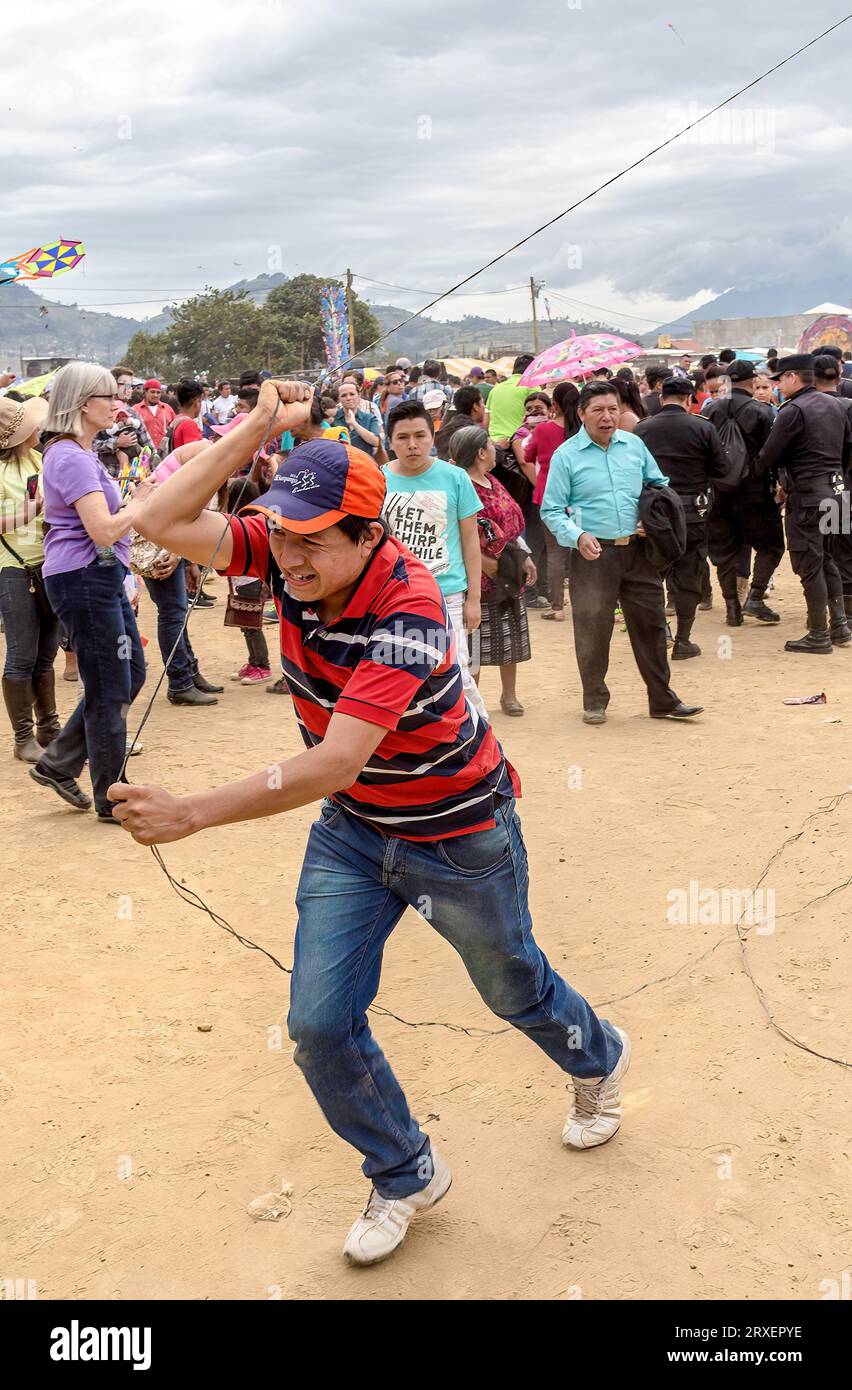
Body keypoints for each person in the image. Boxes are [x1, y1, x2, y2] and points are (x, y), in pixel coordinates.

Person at [115, 383, 632, 1267]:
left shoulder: (410, 609)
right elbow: (160, 518)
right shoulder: (286, 555)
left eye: (313, 537)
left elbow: (332, 761)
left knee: (513, 987)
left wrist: (192, 811)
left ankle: (598, 1059)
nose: (288, 553)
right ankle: (403, 1169)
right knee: (319, 1024)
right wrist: (257, 427)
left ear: (370, 534)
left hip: (458, 831)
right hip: (355, 835)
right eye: (280, 532)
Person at [28, 362, 151, 820]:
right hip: (84, 576)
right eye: (109, 395)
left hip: (93, 576)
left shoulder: (75, 453)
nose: (118, 403)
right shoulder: (71, 456)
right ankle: (109, 795)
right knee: (110, 685)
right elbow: (102, 530)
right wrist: (139, 504)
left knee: (127, 676)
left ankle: (60, 762)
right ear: (84, 403)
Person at [541, 381, 703, 724]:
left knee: (652, 625)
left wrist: (652, 518)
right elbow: (551, 510)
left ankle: (663, 700)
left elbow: (659, 485)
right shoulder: (566, 456)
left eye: (613, 409)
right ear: (582, 413)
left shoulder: (634, 445)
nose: (607, 417)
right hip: (593, 555)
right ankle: (595, 700)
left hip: (639, 553)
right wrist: (578, 535)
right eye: (598, 410)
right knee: (592, 628)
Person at [381, 400, 485, 718]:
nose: (412, 445)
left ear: (432, 435)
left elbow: (470, 540)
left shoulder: (455, 478)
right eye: (402, 437)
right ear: (390, 440)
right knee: (404, 676)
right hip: (395, 596)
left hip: (448, 596)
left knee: (458, 672)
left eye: (420, 435)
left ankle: (482, 734)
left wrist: (474, 599)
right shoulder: (377, 480)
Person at [753, 353, 852, 652]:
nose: (778, 385)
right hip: (835, 493)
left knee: (809, 564)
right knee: (828, 559)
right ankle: (839, 627)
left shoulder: (793, 410)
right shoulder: (836, 405)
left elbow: (768, 456)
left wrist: (766, 476)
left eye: (780, 379)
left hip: (808, 497)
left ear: (793, 377)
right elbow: (847, 450)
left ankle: (818, 633)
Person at [635, 378, 728, 659]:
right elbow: (721, 468)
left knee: (652, 572)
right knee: (690, 573)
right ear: (689, 399)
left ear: (662, 398)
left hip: (655, 510)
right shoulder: (703, 427)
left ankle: (660, 628)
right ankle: (683, 640)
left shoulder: (642, 429)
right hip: (692, 511)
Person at [451, 424, 535, 714]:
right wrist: (488, 568)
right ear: (479, 452)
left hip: (508, 572)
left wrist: (524, 557)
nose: (495, 449)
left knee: (508, 637)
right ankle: (472, 702)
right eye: (490, 444)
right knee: (473, 645)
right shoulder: (463, 486)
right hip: (481, 580)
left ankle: (508, 696)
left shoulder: (491, 481)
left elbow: (512, 526)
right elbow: (463, 536)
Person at [0, 394, 61, 760]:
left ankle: (49, 728)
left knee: (45, 655)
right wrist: (29, 512)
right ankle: (23, 738)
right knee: (21, 656)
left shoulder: (42, 460)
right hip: (12, 570)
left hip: (48, 565)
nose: (39, 428)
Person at [704, 360, 785, 627]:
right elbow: (773, 452)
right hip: (755, 492)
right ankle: (756, 596)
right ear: (752, 383)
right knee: (771, 545)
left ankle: (731, 608)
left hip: (720, 492)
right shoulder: (762, 411)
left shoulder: (711, 411)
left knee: (726, 550)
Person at [525, 381, 580, 622]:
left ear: (554, 404)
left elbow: (528, 456)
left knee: (556, 551)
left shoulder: (544, 430)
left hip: (548, 495)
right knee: (582, 548)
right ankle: (588, 601)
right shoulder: (584, 431)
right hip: (579, 496)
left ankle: (557, 607)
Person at [486, 354, 535, 445]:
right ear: (532, 369)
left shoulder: (495, 389)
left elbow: (487, 417)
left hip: (495, 442)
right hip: (519, 441)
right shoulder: (531, 387)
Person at [434, 384, 486, 459]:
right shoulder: (472, 433)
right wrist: (500, 447)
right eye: (482, 403)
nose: (484, 407)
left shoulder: (449, 426)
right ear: (475, 407)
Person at [334, 379, 381, 458]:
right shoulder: (333, 419)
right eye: (343, 395)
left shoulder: (369, 418)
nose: (348, 398)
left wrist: (354, 424)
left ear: (359, 396)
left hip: (365, 463)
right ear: (339, 399)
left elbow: (376, 442)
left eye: (352, 394)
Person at [134, 379, 175, 453]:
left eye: (158, 392)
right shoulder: (135, 410)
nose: (155, 395)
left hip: (164, 454)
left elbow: (174, 429)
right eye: (152, 392)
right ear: (145, 392)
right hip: (143, 454)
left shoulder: (167, 408)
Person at [168, 380, 205, 452]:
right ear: (197, 402)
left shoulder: (177, 419)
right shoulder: (189, 424)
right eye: (200, 401)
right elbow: (193, 455)